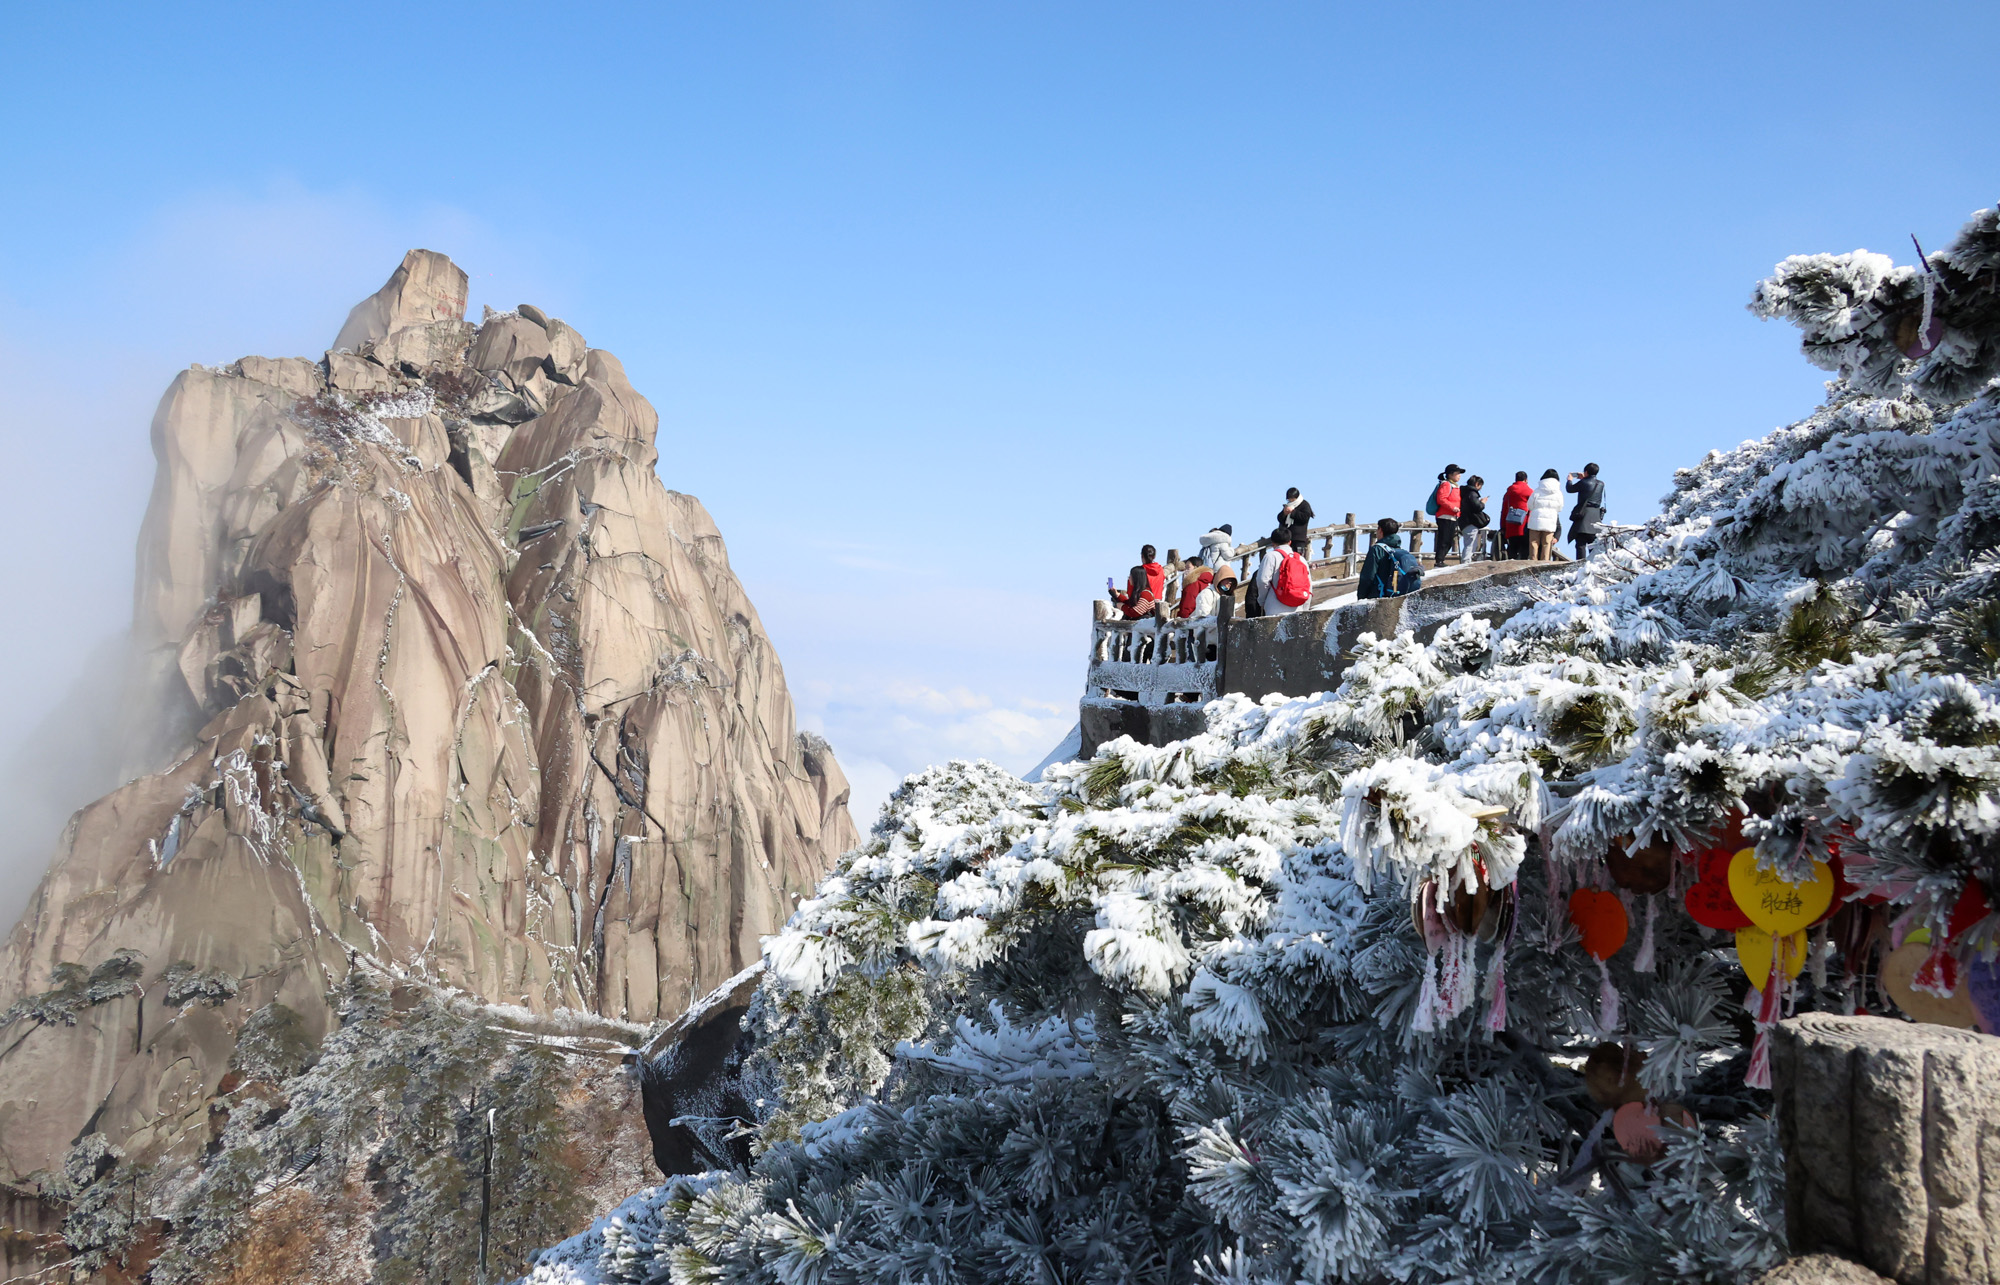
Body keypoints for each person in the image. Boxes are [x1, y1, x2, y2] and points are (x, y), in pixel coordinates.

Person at [1357, 518, 1423, 598]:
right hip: (1396, 596)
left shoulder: (1377, 549)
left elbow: (1368, 577)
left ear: (1380, 530)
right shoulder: (1400, 551)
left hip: (1378, 597)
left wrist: (1361, 597)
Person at [1255, 526, 1310, 616]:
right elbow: (1309, 585)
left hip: (1274, 608)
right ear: (1290, 542)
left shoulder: (1270, 556)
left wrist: (1262, 601)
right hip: (1297, 608)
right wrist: (1305, 608)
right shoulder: (1301, 559)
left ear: (1273, 543)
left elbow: (1262, 581)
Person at [1110, 544, 1167, 618]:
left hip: (1143, 604)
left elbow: (1133, 606)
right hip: (1157, 603)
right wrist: (1117, 594)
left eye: (1130, 577)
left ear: (1142, 556)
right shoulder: (1160, 570)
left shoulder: (1140, 571)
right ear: (1154, 556)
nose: (1129, 578)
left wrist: (1123, 606)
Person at [1566, 462, 1606, 561]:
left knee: (1580, 543)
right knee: (1593, 544)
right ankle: (1594, 563)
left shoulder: (1583, 483)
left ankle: (1580, 564)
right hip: (1595, 516)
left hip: (1584, 516)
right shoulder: (1601, 484)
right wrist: (1584, 478)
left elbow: (1570, 489)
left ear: (1586, 472)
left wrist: (1569, 480)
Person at [1426, 465, 1464, 565]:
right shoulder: (1446, 484)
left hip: (1452, 516)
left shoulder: (1455, 486)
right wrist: (1453, 507)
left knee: (1449, 540)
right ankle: (1439, 560)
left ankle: (1441, 559)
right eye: (1457, 473)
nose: (1459, 476)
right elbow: (1441, 499)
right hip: (1445, 516)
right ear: (1450, 474)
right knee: (1444, 539)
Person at [1527, 469, 1564, 561]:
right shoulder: (1558, 493)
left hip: (1536, 519)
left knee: (1534, 543)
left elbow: (1529, 505)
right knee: (1547, 544)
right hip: (1550, 520)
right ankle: (1545, 563)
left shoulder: (1537, 490)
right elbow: (1560, 507)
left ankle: (1533, 562)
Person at [1501, 471, 1534, 560]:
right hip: (1524, 525)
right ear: (1526, 480)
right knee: (1524, 551)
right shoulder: (1530, 492)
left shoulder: (1509, 492)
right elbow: (1532, 509)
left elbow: (1504, 510)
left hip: (1510, 525)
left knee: (1512, 549)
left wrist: (1503, 526)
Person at [1457, 474, 1489, 562]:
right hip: (1470, 522)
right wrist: (1482, 502)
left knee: (1470, 543)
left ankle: (1466, 560)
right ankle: (1466, 561)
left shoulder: (1464, 493)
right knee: (1470, 544)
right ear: (1477, 484)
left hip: (1464, 521)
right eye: (1480, 485)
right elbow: (1477, 507)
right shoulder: (1472, 493)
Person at [1276, 489, 1315, 555]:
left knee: (1297, 559)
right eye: (1289, 499)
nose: (1290, 501)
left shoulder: (1304, 504)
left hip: (1298, 538)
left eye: (1292, 499)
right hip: (1286, 538)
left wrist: (1293, 512)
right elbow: (1280, 519)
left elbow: (1304, 518)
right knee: (1285, 558)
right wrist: (1284, 513)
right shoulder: (1288, 505)